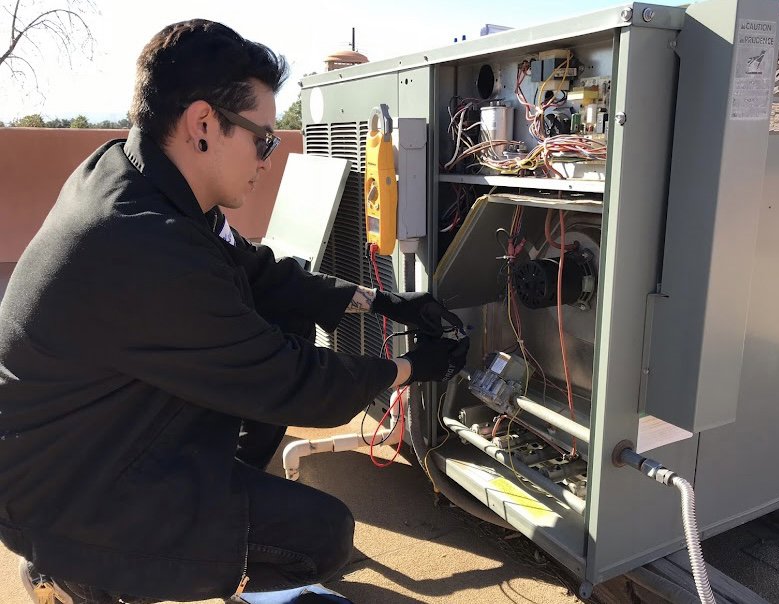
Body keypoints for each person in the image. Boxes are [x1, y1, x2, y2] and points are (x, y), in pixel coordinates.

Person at [0, 19, 468, 604]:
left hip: (92, 434)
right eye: (263, 138)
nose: (269, 156)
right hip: (63, 492)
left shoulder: (137, 175)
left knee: (286, 315)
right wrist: (409, 369)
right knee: (321, 536)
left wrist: (386, 301)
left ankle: (170, 537)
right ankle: (81, 575)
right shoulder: (143, 245)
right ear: (203, 125)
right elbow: (288, 381)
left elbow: (260, 272)